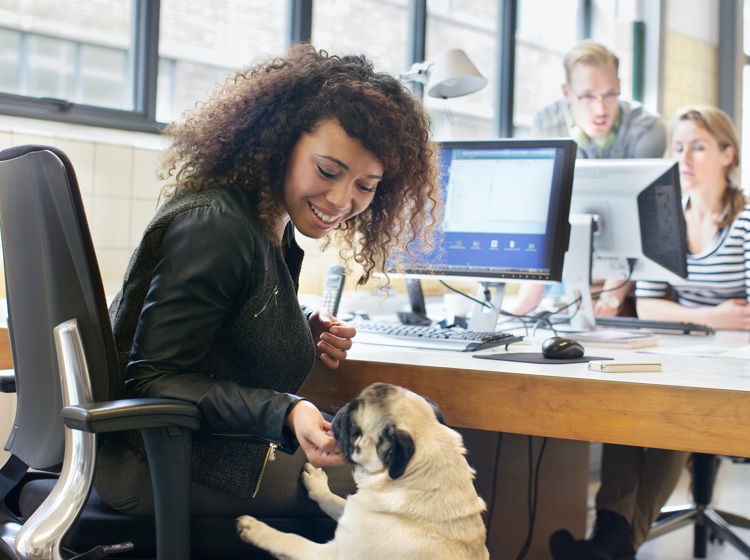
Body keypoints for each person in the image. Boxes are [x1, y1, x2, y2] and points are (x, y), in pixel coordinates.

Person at [94, 44, 440, 520]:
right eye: (328, 171)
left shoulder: (266, 223)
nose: (342, 199)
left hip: (185, 452)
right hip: (154, 464)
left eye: (366, 185)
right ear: (281, 143)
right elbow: (155, 380)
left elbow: (222, 319)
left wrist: (295, 327)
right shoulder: (217, 225)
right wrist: (286, 411)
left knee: (423, 435)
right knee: (425, 465)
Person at [551, 105, 748, 560]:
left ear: (727, 154)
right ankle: (612, 537)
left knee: (677, 405)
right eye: (679, 148)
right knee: (629, 396)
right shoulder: (667, 218)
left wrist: (695, 316)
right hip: (679, 343)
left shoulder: (745, 223)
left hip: (731, 363)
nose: (686, 159)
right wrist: (714, 316)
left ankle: (614, 540)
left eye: (698, 147)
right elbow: (650, 301)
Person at [509, 40, 666, 318]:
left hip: (622, 273)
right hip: (564, 263)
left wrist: (612, 299)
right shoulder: (547, 123)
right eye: (588, 96)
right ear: (567, 92)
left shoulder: (647, 128)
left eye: (610, 94)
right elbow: (543, 209)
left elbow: (637, 219)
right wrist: (523, 303)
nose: (600, 109)